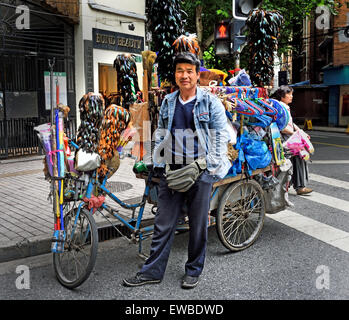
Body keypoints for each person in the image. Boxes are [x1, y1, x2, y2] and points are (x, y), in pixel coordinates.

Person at [123, 52, 231, 289]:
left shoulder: (210, 102)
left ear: (197, 74)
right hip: (172, 170)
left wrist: (209, 168)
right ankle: (152, 271)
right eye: (180, 70)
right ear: (175, 74)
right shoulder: (169, 102)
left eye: (189, 71)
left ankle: (193, 270)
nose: (184, 75)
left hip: (200, 171)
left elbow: (221, 135)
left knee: (198, 225)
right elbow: (161, 132)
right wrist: (155, 162)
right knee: (163, 224)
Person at [274, 85, 313, 195]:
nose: (291, 96)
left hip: (290, 136)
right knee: (301, 158)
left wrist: (300, 131)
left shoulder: (285, 106)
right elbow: (281, 127)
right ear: (282, 95)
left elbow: (290, 123)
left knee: (298, 159)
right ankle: (300, 187)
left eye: (291, 94)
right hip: (287, 139)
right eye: (289, 94)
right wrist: (295, 133)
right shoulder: (281, 107)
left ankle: (295, 185)